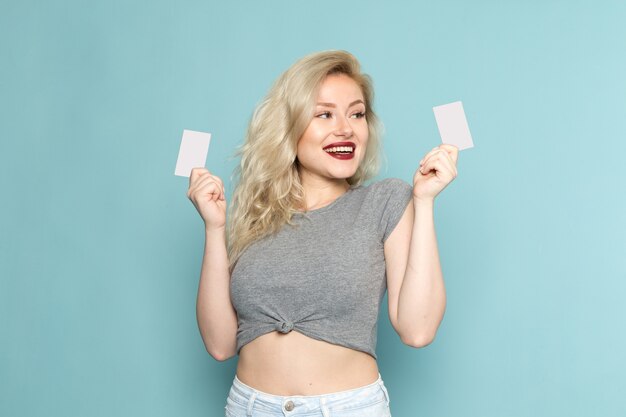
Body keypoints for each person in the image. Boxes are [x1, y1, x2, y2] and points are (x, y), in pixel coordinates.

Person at [186, 50, 459, 417]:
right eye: (324, 114)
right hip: (249, 406)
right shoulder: (257, 214)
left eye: (357, 113)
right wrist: (215, 227)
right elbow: (219, 344)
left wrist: (424, 202)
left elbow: (418, 330)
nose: (346, 128)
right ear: (290, 128)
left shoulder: (385, 201)